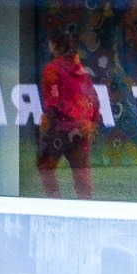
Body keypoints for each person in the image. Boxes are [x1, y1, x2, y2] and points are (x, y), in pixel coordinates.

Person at [36, 31, 98, 200]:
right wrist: (91, 122)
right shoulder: (82, 71)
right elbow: (94, 98)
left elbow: (52, 101)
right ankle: (86, 205)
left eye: (51, 44)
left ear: (56, 46)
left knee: (45, 166)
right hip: (82, 126)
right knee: (81, 171)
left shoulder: (52, 69)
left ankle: (55, 202)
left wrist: (47, 122)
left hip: (60, 127)